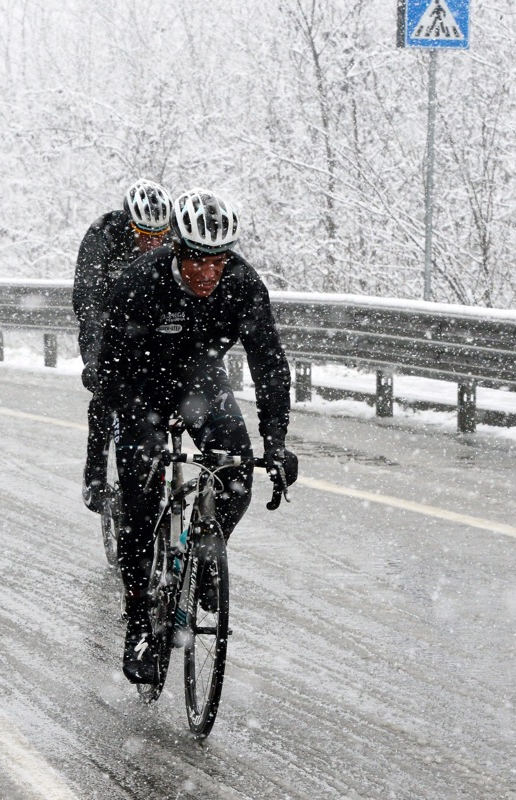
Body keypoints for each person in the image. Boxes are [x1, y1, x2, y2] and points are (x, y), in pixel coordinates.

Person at [97, 189, 298, 683]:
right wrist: (137, 423)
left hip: (199, 382)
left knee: (236, 473)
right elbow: (108, 369)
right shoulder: (139, 282)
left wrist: (275, 444)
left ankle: (206, 554)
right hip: (138, 382)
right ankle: (140, 626)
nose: (208, 273)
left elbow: (270, 366)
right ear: (178, 250)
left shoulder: (244, 284)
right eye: (197, 262)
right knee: (140, 512)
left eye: (218, 261)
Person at [73, 179, 174, 513]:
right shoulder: (103, 233)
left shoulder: (175, 239)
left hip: (154, 324)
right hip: (108, 323)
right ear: (128, 222)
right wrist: (93, 360)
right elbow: (87, 300)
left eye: (159, 235)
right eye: (144, 234)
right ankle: (96, 477)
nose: (152, 242)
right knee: (105, 394)